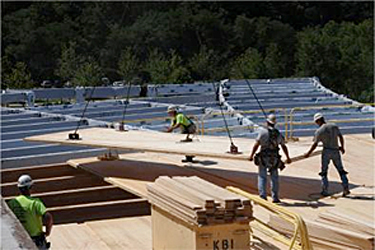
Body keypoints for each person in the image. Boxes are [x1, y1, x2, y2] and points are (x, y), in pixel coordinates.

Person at [304, 113, 350, 197]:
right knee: (341, 170)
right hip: (336, 150)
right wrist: (342, 147)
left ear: (318, 121)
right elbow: (340, 136)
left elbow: (315, 144)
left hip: (327, 151)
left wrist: (308, 153)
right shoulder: (334, 126)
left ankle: (325, 190)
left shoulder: (319, 131)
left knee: (324, 172)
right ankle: (346, 188)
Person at [249, 114, 292, 203]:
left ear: (267, 122)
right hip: (274, 158)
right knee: (274, 178)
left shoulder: (263, 132)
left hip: (264, 158)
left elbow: (256, 144)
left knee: (262, 177)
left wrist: (251, 155)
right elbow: (283, 146)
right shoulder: (278, 134)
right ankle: (275, 197)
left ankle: (263, 197)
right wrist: (288, 157)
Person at [7, 175, 53, 249]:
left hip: (18, 238)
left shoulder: (12, 203)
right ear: (30, 188)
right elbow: (48, 217)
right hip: (35, 240)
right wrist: (47, 231)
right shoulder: (35, 202)